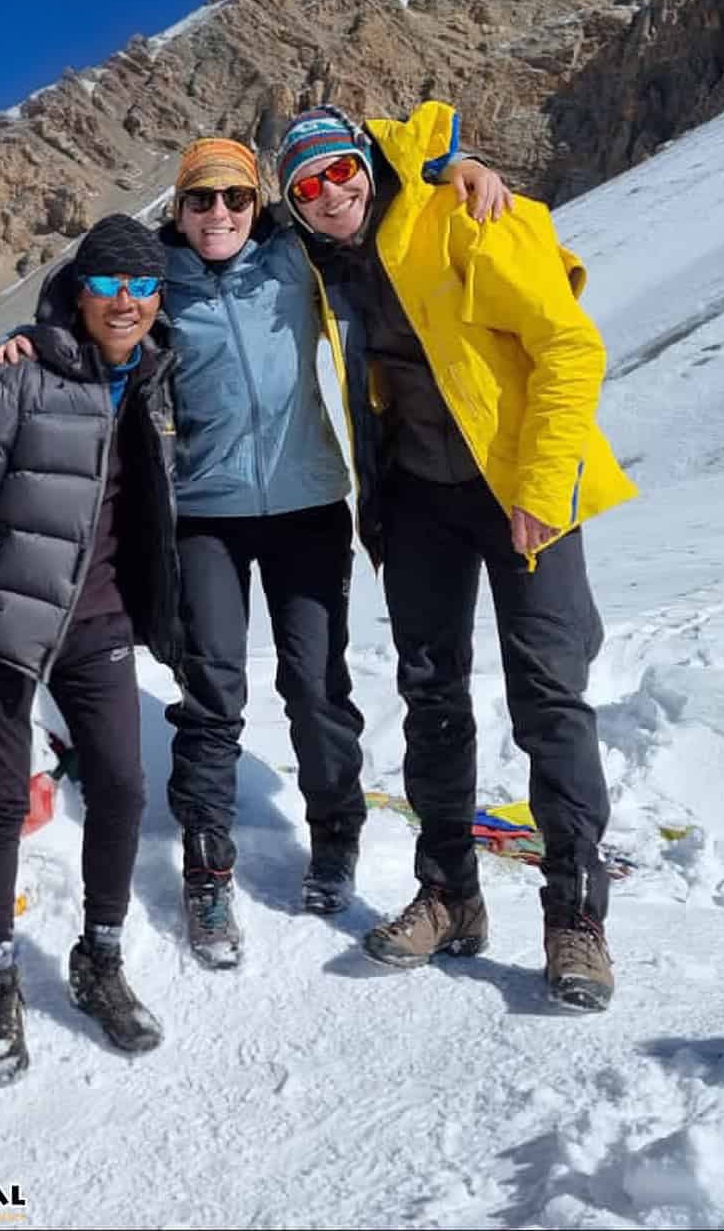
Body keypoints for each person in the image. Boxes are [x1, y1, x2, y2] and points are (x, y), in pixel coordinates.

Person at [0, 128, 509, 969]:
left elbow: (377, 207)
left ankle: (335, 832)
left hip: (307, 505)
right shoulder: (161, 281)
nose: (219, 212)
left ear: (256, 202)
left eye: (234, 196)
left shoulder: (292, 262)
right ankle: (207, 863)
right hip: (206, 517)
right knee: (213, 689)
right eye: (201, 199)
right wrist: (32, 333)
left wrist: (459, 166)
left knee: (315, 684)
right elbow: (86, 296)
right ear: (181, 210)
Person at [277, 102, 635, 1012]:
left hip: (523, 490)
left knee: (549, 696)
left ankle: (575, 920)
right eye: (306, 188)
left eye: (339, 171)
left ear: (365, 161)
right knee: (431, 693)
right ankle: (450, 896)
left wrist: (541, 488)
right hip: (419, 498)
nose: (330, 195)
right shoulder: (324, 263)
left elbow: (567, 344)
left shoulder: (460, 210)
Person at [0, 213, 184, 1082]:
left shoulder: (154, 377)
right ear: (79, 290)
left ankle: (98, 958)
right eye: (109, 284)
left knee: (122, 784)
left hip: (100, 619)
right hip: (3, 628)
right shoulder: (12, 382)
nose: (128, 302)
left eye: (145, 287)